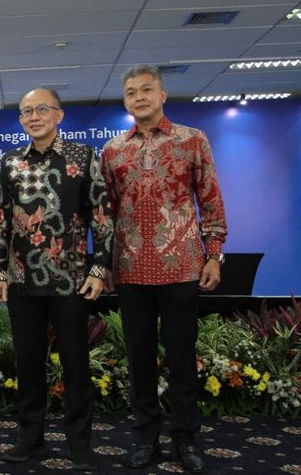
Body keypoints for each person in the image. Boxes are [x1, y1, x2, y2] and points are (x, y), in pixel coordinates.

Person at [101, 65, 227, 474]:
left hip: (182, 267)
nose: (139, 97)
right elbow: (107, 214)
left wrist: (214, 254)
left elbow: (210, 198)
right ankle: (146, 438)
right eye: (131, 92)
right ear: (125, 100)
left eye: (146, 90)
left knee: (181, 360)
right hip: (131, 268)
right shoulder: (113, 150)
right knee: (139, 360)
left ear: (162, 95)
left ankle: (186, 439)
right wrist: (104, 264)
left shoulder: (192, 140)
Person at [0, 88, 113, 472]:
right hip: (22, 280)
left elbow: (101, 216)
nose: (33, 116)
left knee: (75, 363)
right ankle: (30, 439)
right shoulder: (10, 161)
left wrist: (99, 269)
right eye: (26, 111)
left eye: (41, 109)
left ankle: (79, 443)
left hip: (71, 281)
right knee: (28, 364)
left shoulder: (83, 156)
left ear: (59, 114)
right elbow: (1, 220)